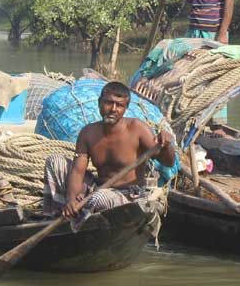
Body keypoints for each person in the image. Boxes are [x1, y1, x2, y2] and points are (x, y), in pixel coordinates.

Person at [42, 82, 177, 223]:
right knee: (55, 161)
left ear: (126, 108)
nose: (113, 109)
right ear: (100, 103)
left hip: (129, 195)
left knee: (99, 198)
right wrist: (71, 199)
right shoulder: (88, 133)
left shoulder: (137, 129)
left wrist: (166, 145)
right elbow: (77, 171)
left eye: (119, 105)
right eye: (108, 103)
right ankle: (61, 215)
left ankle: (80, 218)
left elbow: (169, 162)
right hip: (98, 187)